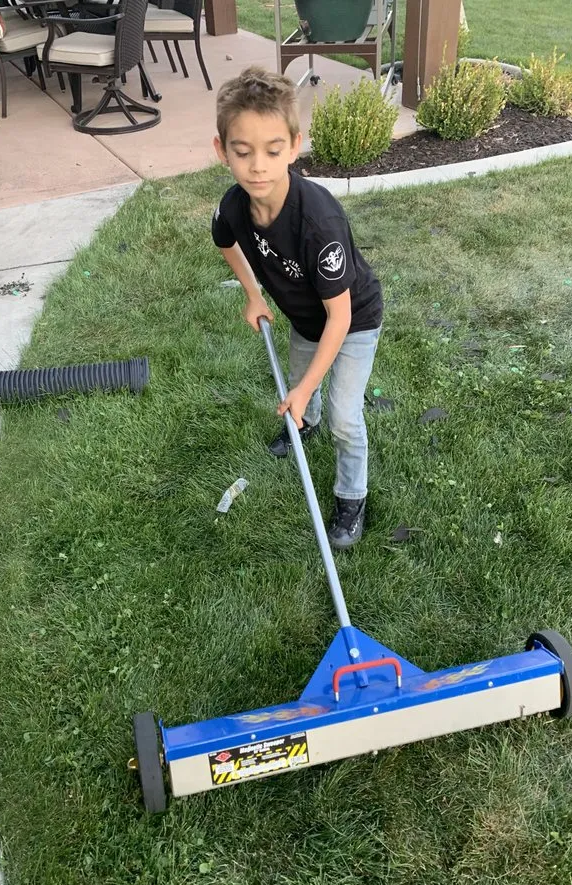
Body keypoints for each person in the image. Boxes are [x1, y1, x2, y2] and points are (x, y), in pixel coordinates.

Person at [211, 66, 383, 549]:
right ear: (222, 150)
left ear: (293, 145)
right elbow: (225, 241)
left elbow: (341, 318)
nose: (258, 167)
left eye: (272, 151)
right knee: (301, 391)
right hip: (306, 321)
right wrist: (252, 294)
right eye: (243, 153)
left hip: (352, 321)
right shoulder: (233, 207)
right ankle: (301, 428)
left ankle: (351, 498)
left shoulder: (318, 222)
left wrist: (307, 389)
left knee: (343, 415)